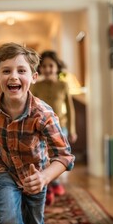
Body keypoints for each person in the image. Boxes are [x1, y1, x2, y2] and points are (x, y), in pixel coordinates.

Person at [0, 42, 75, 224]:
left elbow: (64, 156)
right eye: (6, 71)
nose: (13, 76)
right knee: (8, 222)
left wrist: (44, 178)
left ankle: (29, 212)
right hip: (5, 169)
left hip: (35, 173)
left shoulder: (43, 115)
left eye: (21, 70)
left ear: (33, 77)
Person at [30, 50, 77, 206]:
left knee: (58, 158)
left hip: (60, 127)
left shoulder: (63, 85)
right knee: (44, 159)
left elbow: (70, 109)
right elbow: (31, 106)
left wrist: (72, 129)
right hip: (41, 128)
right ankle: (49, 189)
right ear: (40, 69)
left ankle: (54, 183)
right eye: (44, 66)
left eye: (51, 65)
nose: (48, 69)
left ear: (57, 67)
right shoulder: (36, 86)